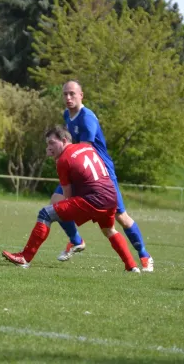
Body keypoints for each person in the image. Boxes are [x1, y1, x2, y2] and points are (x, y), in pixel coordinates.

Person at [2, 126, 140, 272]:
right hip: (111, 196)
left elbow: (68, 196)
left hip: (94, 198)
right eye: (47, 144)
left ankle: (25, 257)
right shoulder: (87, 148)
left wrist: (66, 212)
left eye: (51, 143)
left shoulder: (63, 160)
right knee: (109, 230)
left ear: (64, 140)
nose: (48, 147)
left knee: (46, 214)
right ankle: (132, 266)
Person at [53, 80, 153, 271]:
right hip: (79, 171)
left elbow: (86, 149)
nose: (68, 97)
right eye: (65, 94)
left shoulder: (87, 117)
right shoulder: (67, 114)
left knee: (121, 217)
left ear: (81, 95)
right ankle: (76, 241)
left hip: (101, 173)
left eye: (72, 93)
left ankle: (144, 256)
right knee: (56, 203)